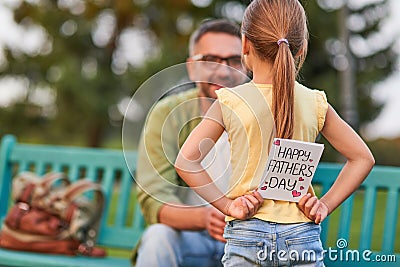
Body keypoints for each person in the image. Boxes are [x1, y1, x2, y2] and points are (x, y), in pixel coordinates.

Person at [175, 0, 375, 266]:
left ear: (244, 44)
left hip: (247, 231)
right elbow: (363, 158)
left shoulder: (230, 101)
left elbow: (186, 161)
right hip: (301, 235)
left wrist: (227, 205)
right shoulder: (316, 103)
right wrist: (324, 205)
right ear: (301, 47)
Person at [133, 19, 248, 267]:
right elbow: (154, 198)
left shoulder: (266, 114)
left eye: (234, 60)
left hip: (248, 242)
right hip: (191, 238)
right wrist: (207, 217)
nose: (224, 71)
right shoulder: (167, 114)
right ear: (192, 68)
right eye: (211, 60)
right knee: (157, 237)